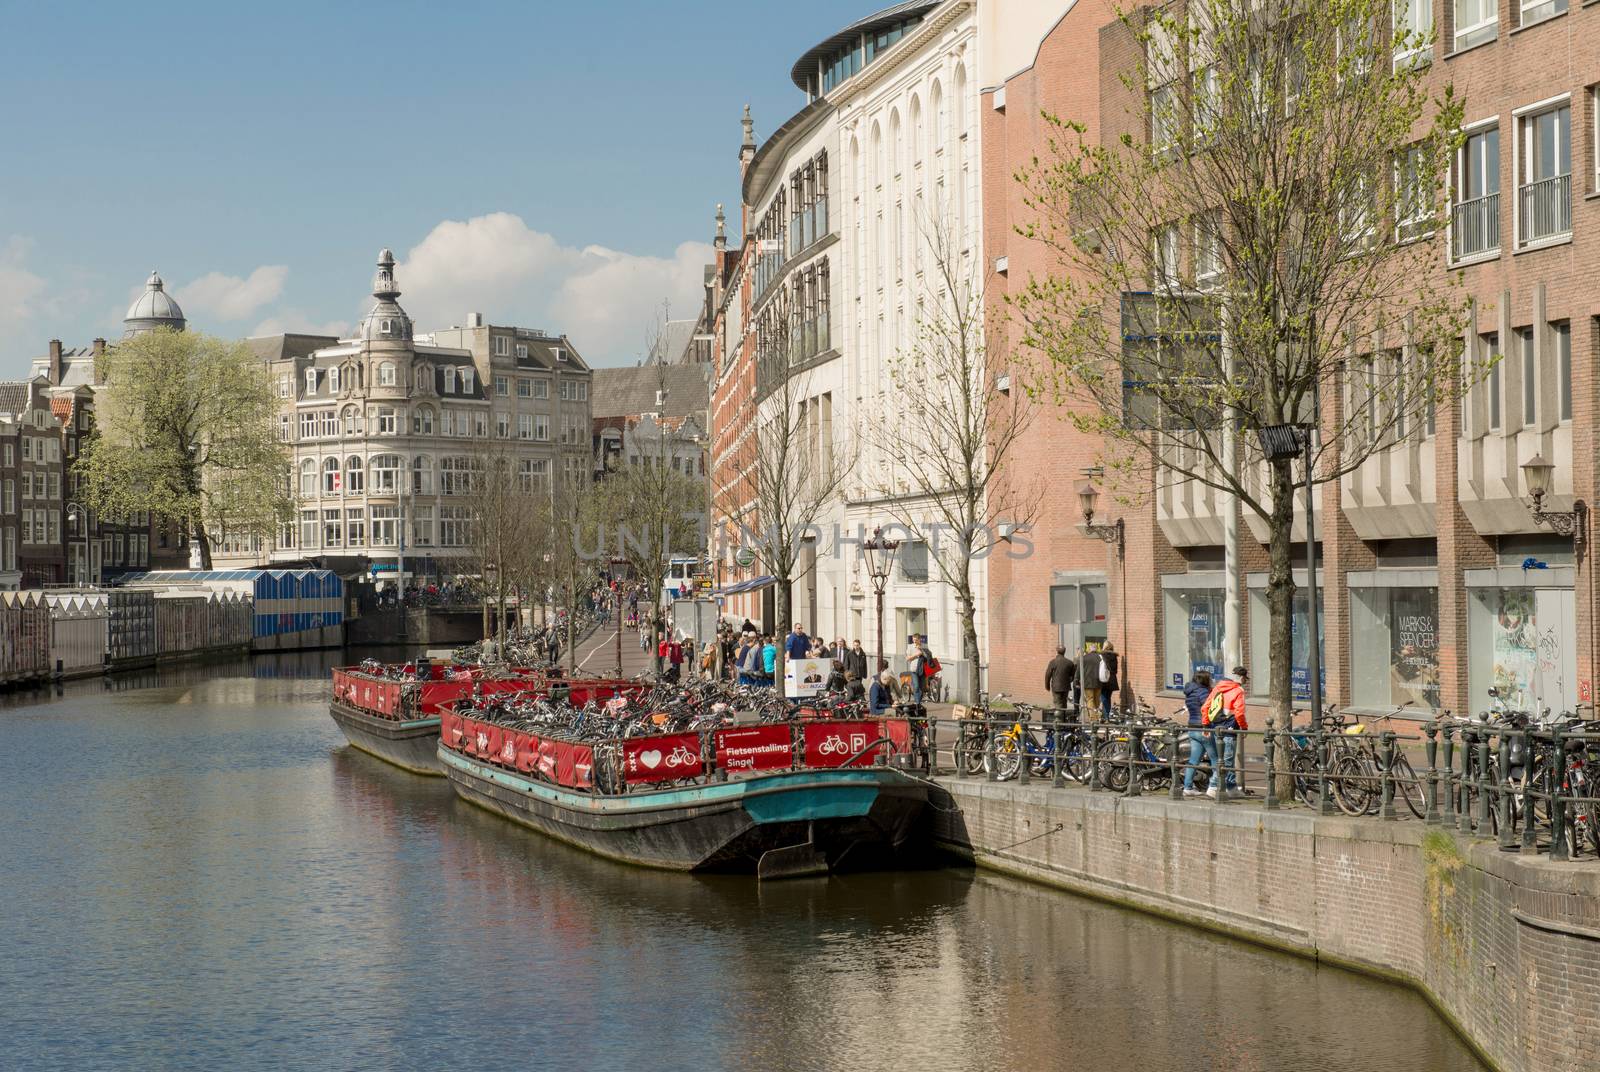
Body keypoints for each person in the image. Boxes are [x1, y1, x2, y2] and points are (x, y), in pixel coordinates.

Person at [1201, 667, 1249, 798]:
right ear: (1241, 678)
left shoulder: (1218, 687)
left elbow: (1205, 707)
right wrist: (1244, 728)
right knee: (1226, 761)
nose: (1245, 681)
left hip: (1215, 728)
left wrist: (1205, 725)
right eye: (1245, 678)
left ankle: (1231, 787)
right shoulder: (1238, 690)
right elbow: (1239, 713)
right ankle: (1213, 786)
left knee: (1227, 760)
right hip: (1229, 729)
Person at [1182, 670, 1218, 798]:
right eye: (1209, 679)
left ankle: (1187, 787)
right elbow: (1206, 706)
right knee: (1216, 759)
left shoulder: (1190, 692)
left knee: (1194, 759)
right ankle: (1214, 787)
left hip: (1192, 727)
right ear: (1204, 680)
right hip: (1204, 728)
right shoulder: (1203, 691)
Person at [1044, 646, 1077, 714]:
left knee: (1057, 703)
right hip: (1065, 687)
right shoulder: (1069, 663)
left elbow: (1048, 675)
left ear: (1057, 651)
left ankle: (1058, 721)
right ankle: (1063, 720)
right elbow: (1073, 676)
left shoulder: (1053, 662)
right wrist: (1068, 681)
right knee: (1064, 703)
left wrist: (1047, 686)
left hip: (1056, 687)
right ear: (1064, 652)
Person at [1079, 645, 1103, 723]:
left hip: (1088, 683)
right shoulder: (1100, 658)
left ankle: (1092, 717)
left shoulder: (1084, 657)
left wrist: (1076, 679)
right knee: (1096, 699)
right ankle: (1097, 715)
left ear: (1089, 650)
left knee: (1090, 699)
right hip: (1098, 682)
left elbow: (1079, 670)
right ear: (1096, 650)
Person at [1097, 642, 1120, 719]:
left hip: (1104, 679)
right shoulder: (1114, 657)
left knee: (1103, 697)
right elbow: (1116, 670)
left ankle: (1106, 715)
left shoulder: (1102, 656)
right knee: (1108, 697)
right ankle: (1106, 715)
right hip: (1112, 680)